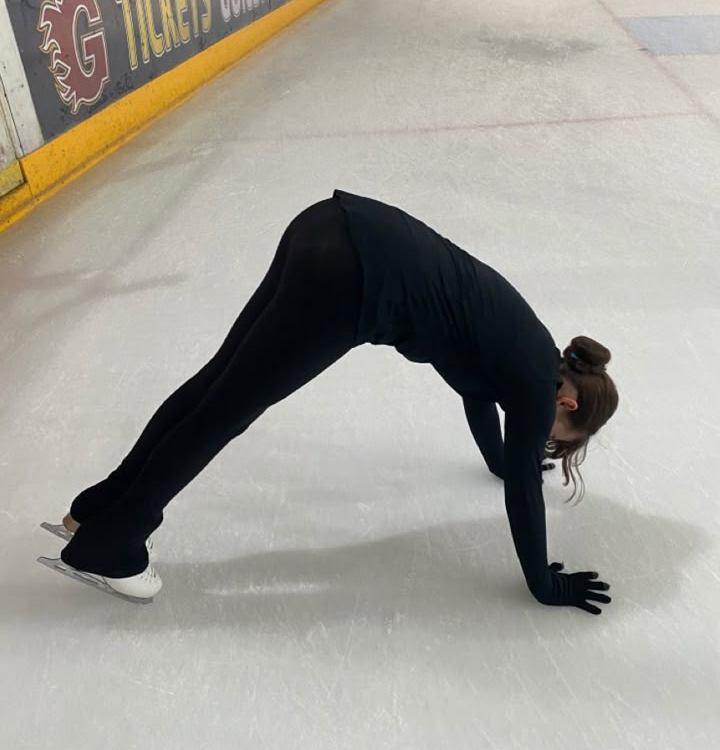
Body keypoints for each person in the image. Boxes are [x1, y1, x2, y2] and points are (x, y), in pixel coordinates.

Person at [39, 192, 617, 614]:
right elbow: (523, 488)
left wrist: (496, 459)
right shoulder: (533, 390)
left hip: (330, 223)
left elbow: (478, 399)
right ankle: (113, 544)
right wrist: (545, 583)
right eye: (563, 437)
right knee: (225, 411)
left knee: (215, 385)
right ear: (566, 402)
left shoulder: (532, 353)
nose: (546, 440)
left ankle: (95, 510)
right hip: (349, 278)